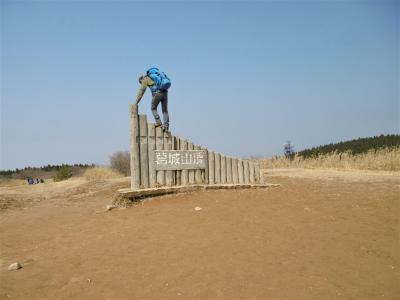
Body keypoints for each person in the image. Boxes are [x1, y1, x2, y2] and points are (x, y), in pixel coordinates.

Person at [135, 67, 171, 132]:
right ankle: (166, 126)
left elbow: (141, 91)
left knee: (153, 108)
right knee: (165, 110)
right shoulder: (154, 76)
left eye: (141, 83)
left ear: (141, 80)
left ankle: (159, 123)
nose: (141, 84)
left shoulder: (145, 79)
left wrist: (136, 102)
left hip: (157, 93)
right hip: (165, 92)